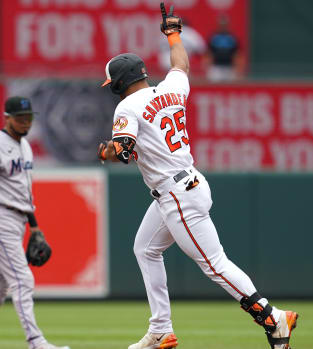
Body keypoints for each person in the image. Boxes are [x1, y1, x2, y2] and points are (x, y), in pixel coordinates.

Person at [97, 4, 298, 349]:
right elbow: (181, 64)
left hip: (176, 193)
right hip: (184, 183)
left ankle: (271, 316)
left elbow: (125, 152)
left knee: (214, 264)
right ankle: (161, 328)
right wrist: (174, 34)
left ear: (118, 83)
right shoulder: (171, 89)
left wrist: (106, 151)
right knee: (145, 249)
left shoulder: (126, 107)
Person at [0, 96, 69, 349]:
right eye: (20, 118)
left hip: (18, 217)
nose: (25, 122)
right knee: (23, 280)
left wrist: (34, 226)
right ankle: (36, 342)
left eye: (29, 118)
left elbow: (25, 192)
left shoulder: (25, 146)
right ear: (7, 118)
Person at [203, 14, 244, 82]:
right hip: (216, 67)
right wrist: (207, 65)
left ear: (227, 25)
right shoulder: (213, 37)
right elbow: (208, 52)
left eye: (224, 24)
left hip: (229, 67)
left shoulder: (232, 37)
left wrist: (239, 68)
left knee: (230, 87)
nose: (223, 26)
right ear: (219, 24)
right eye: (221, 24)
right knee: (214, 87)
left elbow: (237, 53)